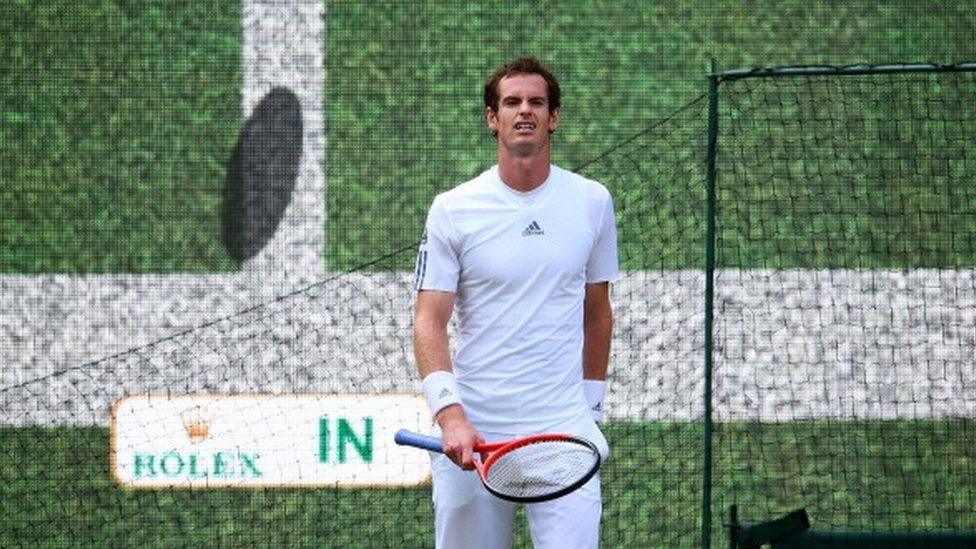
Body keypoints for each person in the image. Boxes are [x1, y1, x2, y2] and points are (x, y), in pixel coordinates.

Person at [412, 56, 619, 549]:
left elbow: (598, 311)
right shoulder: (453, 208)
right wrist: (450, 415)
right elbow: (428, 321)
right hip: (473, 437)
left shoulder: (593, 202)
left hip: (564, 434)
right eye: (511, 102)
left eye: (536, 102)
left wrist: (589, 410)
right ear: (492, 117)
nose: (524, 111)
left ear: (554, 117)